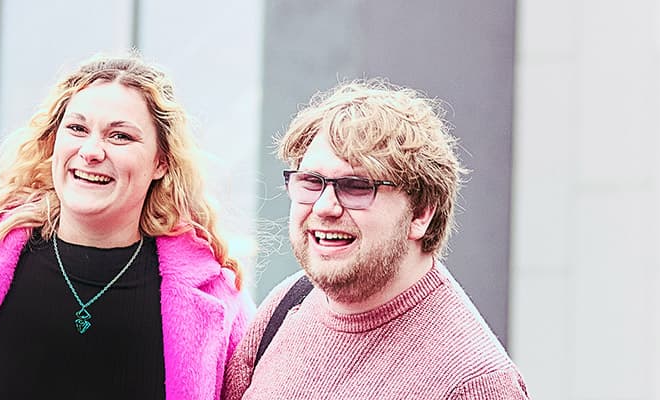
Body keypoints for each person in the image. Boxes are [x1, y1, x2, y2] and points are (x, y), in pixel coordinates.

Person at [0, 54, 251, 399]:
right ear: (53, 143)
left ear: (161, 163)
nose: (91, 151)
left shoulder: (216, 300)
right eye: (77, 129)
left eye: (120, 136)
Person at [221, 79, 527, 399]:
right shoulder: (285, 305)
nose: (325, 206)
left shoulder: (475, 384)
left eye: (356, 187)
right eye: (311, 182)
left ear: (421, 213)